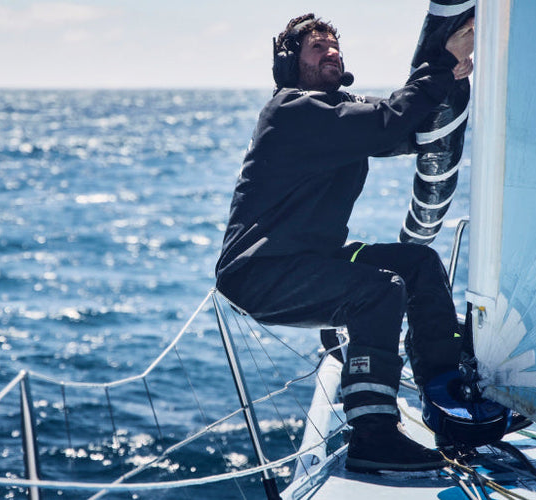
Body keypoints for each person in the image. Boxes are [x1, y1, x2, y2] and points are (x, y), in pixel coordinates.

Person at [214, 13, 473, 473]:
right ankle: (373, 435)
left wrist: (450, 79)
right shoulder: (293, 110)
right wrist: (440, 62)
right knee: (379, 290)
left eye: (336, 47)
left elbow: (405, 126)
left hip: (309, 257)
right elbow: (386, 122)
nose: (332, 52)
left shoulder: (337, 111)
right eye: (318, 48)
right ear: (290, 62)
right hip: (260, 269)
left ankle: (446, 397)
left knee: (418, 264)